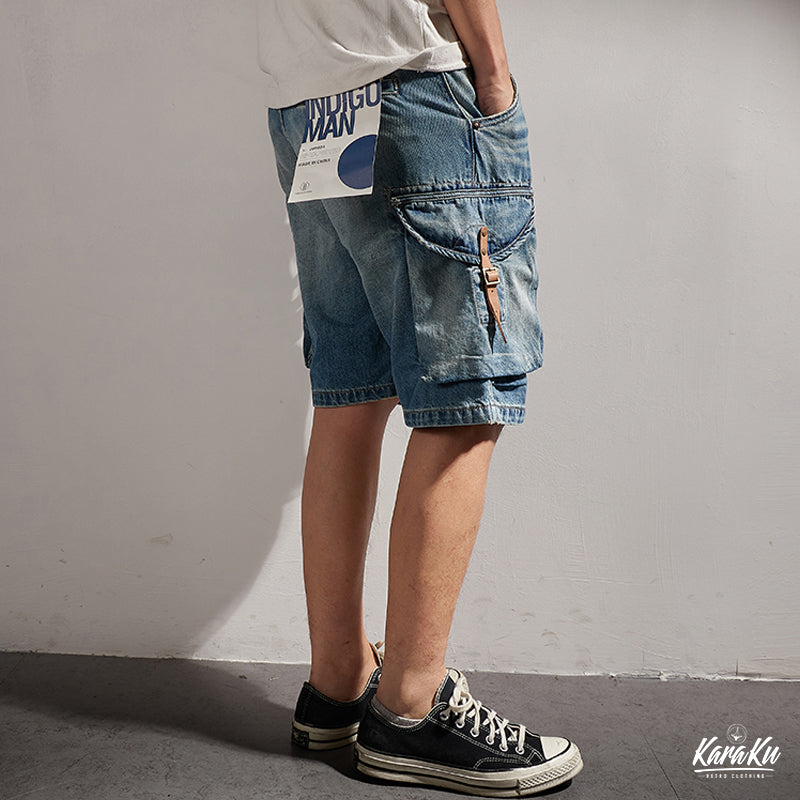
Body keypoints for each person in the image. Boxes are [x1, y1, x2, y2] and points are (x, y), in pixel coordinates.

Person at [257, 0, 583, 794]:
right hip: (416, 89)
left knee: (350, 392)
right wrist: (493, 78)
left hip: (307, 102)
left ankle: (337, 683)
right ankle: (410, 707)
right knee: (468, 397)